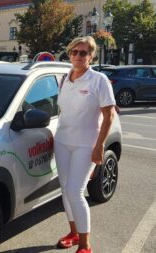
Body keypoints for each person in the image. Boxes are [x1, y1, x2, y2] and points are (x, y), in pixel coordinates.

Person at [54, 36, 116, 253]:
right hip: (62, 142)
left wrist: (99, 146)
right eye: (74, 52)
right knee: (65, 189)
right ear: (69, 54)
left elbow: (109, 116)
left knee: (75, 191)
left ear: (91, 56)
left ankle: (85, 244)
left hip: (86, 145)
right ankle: (72, 232)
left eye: (83, 53)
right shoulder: (64, 79)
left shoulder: (99, 80)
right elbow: (64, 111)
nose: (78, 56)